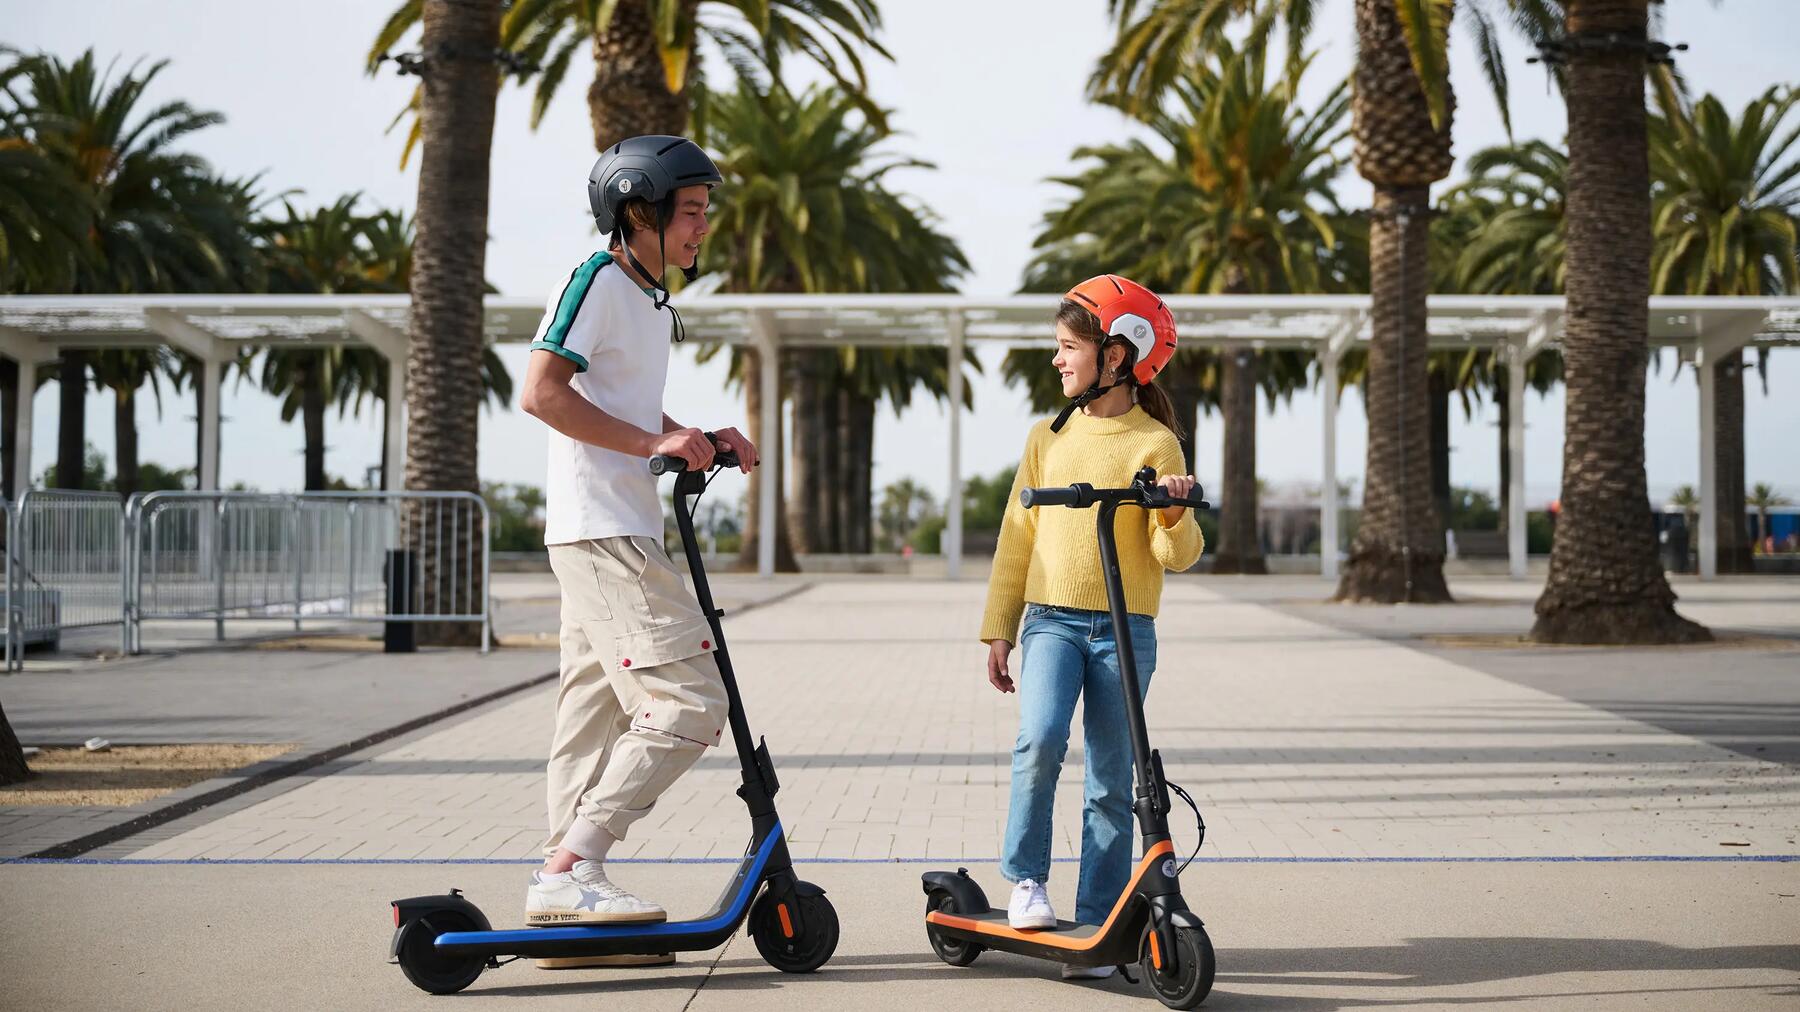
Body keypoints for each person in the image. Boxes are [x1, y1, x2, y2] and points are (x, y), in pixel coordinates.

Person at [518, 135, 757, 939]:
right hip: (604, 531)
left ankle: (561, 889)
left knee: (590, 718)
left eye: (704, 212)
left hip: (611, 529)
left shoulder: (646, 300)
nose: (702, 228)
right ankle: (573, 867)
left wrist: (695, 435)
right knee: (691, 701)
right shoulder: (597, 279)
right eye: (689, 212)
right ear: (637, 213)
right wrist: (653, 443)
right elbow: (542, 392)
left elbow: (620, 405)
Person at [978, 274, 1204, 982]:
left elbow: (1177, 555)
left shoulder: (1157, 443)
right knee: (1040, 738)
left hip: (1126, 630)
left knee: (1111, 777)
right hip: (1051, 621)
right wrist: (999, 626)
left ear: (1115, 355)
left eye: (1067, 347)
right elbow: (1017, 535)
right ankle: (1027, 880)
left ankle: (1100, 916)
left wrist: (1172, 509)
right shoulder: (1047, 437)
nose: (1057, 359)